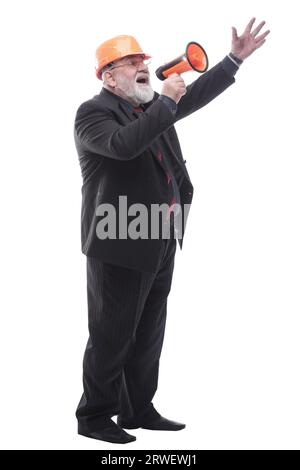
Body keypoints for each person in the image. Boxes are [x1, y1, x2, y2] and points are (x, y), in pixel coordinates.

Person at [73, 18, 270, 444]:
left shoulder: (148, 106)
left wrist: (233, 60)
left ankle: (137, 409)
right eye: (130, 63)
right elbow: (124, 146)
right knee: (112, 333)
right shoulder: (94, 113)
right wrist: (163, 104)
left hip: (160, 236)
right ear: (109, 76)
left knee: (148, 332)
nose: (141, 65)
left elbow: (193, 97)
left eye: (142, 59)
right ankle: (93, 417)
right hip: (119, 238)